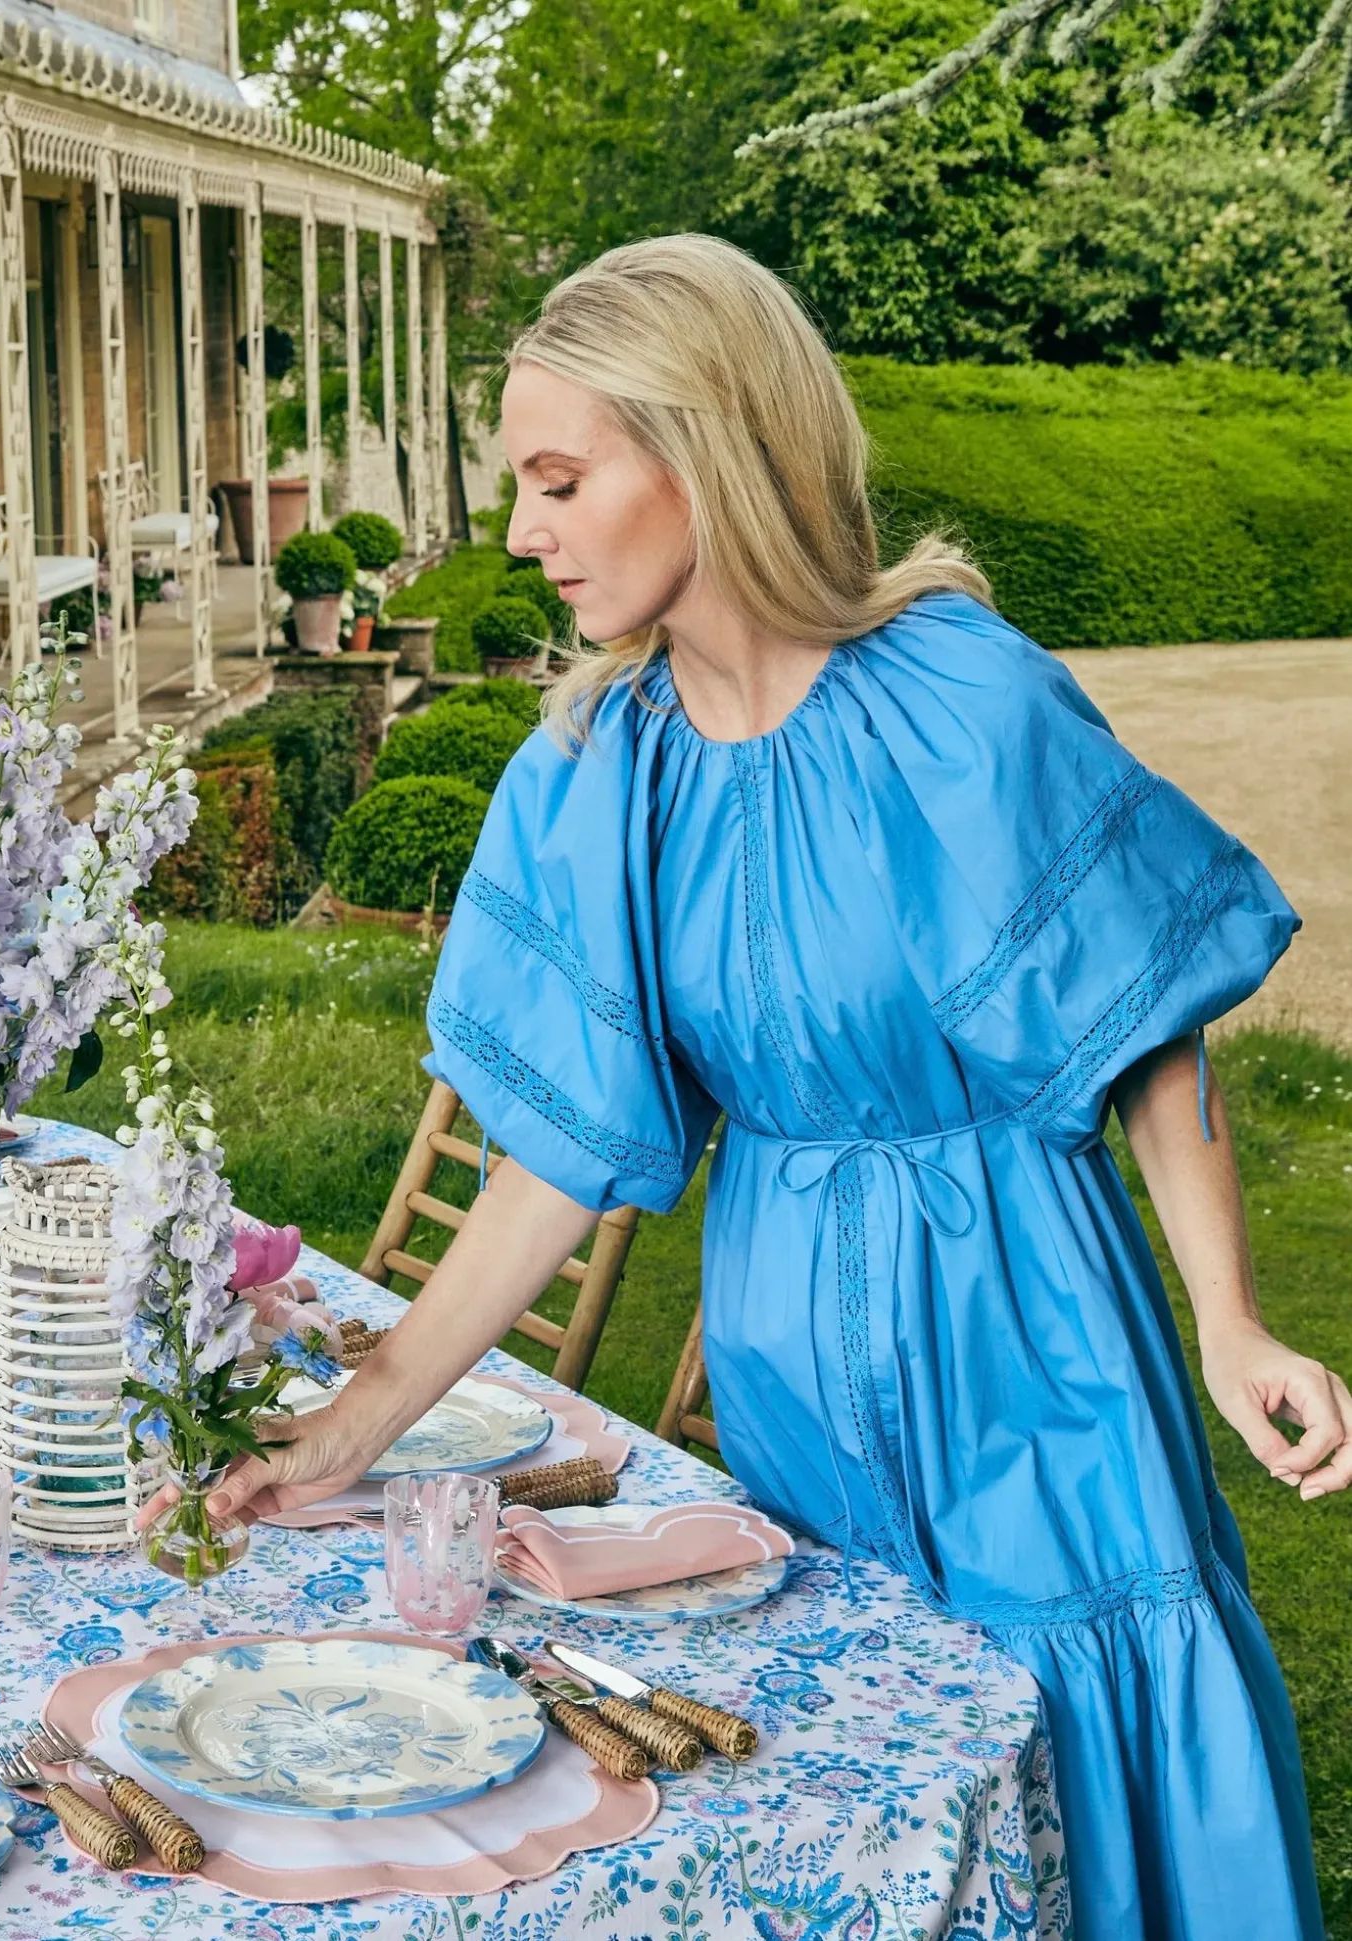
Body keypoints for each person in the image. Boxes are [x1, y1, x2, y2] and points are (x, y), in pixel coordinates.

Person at [198, 235, 1343, 1939]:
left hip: (1025, 1325)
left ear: (707, 447)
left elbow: (1139, 1029)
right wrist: (353, 1427)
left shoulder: (961, 699)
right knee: (855, 1774)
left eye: (560, 479)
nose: (523, 533)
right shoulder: (600, 772)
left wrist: (1232, 1321)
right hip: (786, 1343)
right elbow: (549, 1167)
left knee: (1073, 1721)